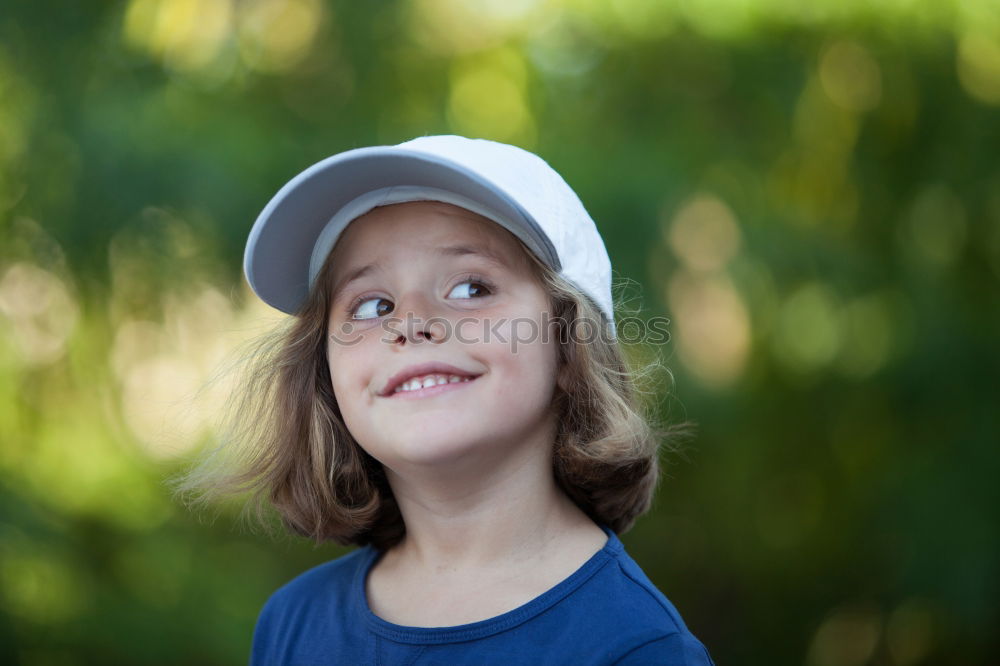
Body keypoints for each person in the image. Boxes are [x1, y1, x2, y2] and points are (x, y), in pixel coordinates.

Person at [183, 135, 714, 664]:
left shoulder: (639, 647)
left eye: (471, 289)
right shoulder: (293, 623)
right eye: (372, 304)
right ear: (324, 376)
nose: (411, 322)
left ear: (571, 347)